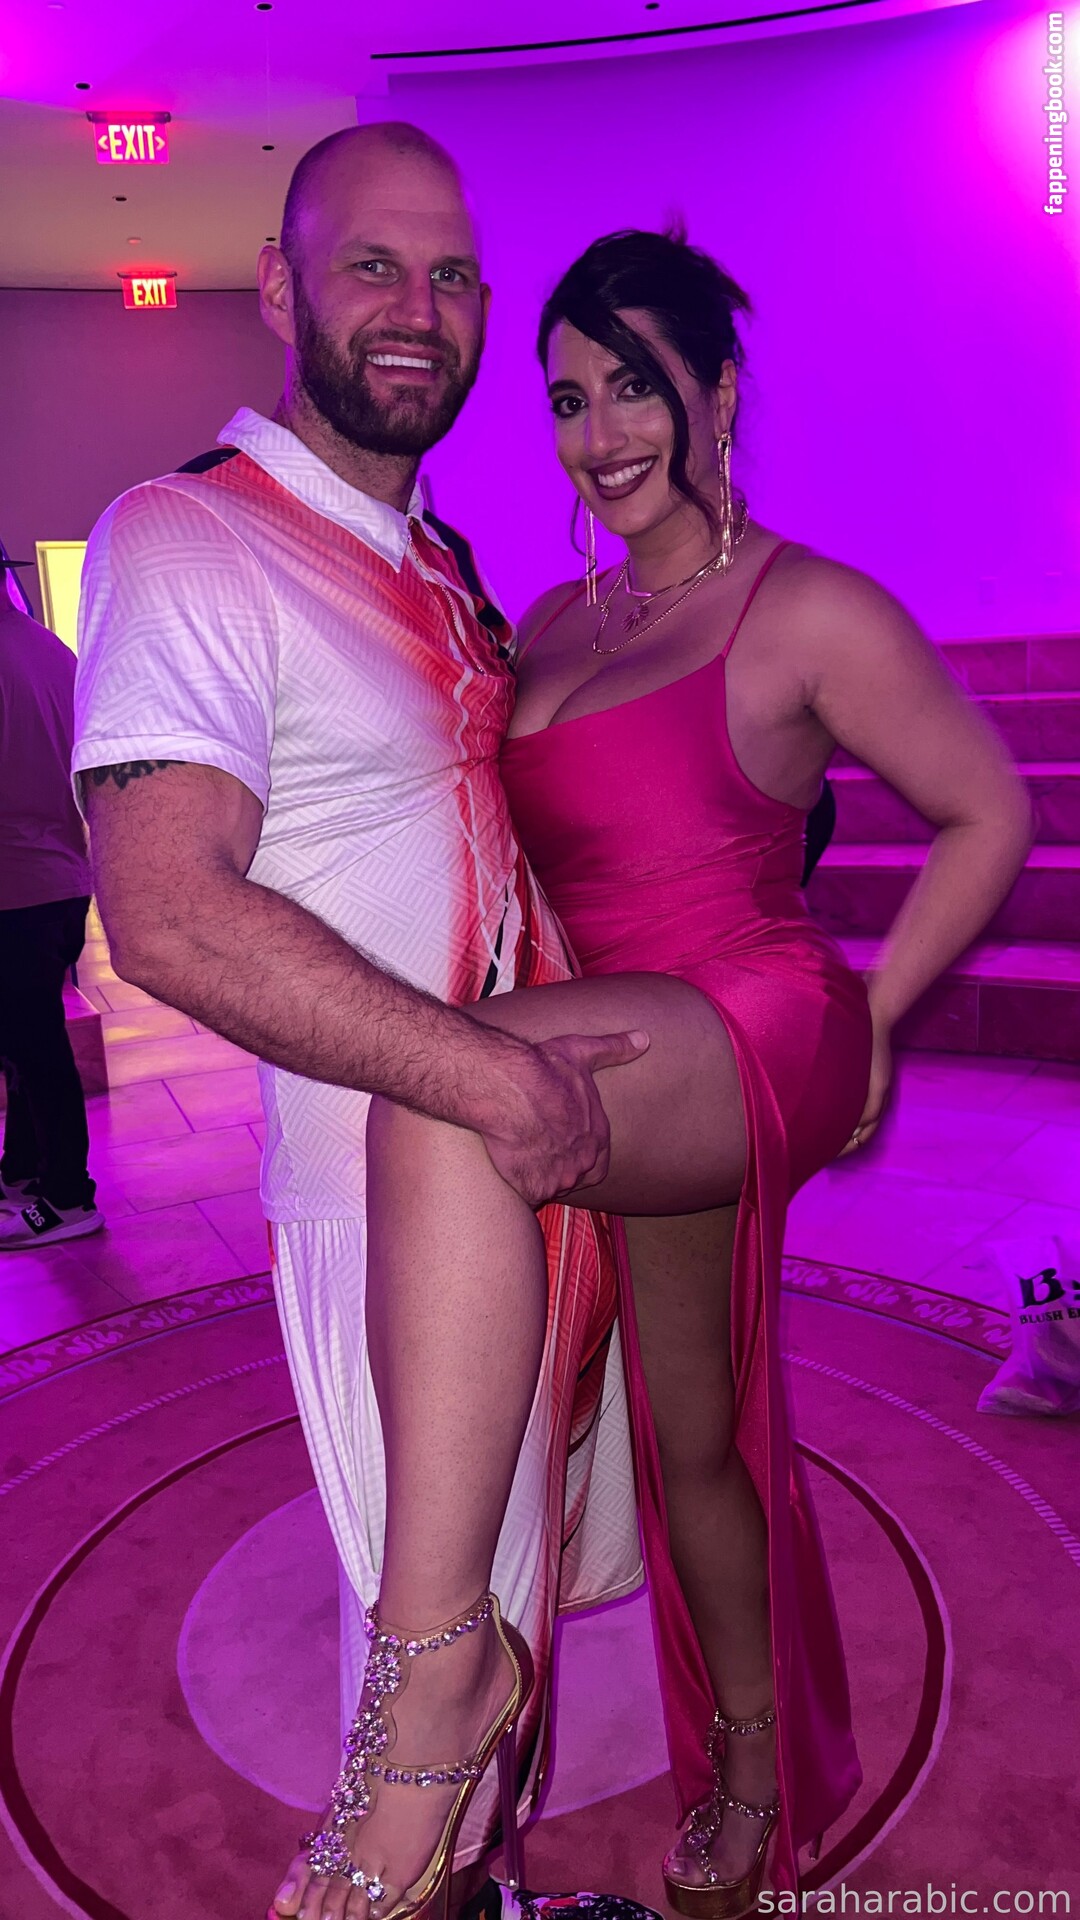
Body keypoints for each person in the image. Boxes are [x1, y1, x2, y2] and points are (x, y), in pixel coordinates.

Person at [310, 228, 1034, 1920]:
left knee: (445, 1092)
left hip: (758, 1013)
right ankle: (755, 1764)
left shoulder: (810, 607)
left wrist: (879, 1015)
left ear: (718, 388)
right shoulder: (554, 618)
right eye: (569, 399)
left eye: (636, 385)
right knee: (693, 1437)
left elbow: (989, 811)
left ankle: (441, 1671)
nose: (600, 432)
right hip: (622, 1042)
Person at [72, 126, 651, 1920]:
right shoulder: (187, 537)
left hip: (537, 1165)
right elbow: (169, 914)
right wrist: (479, 1070)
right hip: (399, 1197)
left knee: (509, 1647)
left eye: (453, 274)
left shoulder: (438, 560)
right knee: (424, 1697)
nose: (421, 307)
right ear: (281, 287)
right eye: (374, 266)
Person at [0, 569, 102, 1248]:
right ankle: (23, 1170)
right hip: (62, 878)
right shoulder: (50, 651)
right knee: (26, 1038)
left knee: (35, 1047)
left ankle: (67, 1196)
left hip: (15, 884)